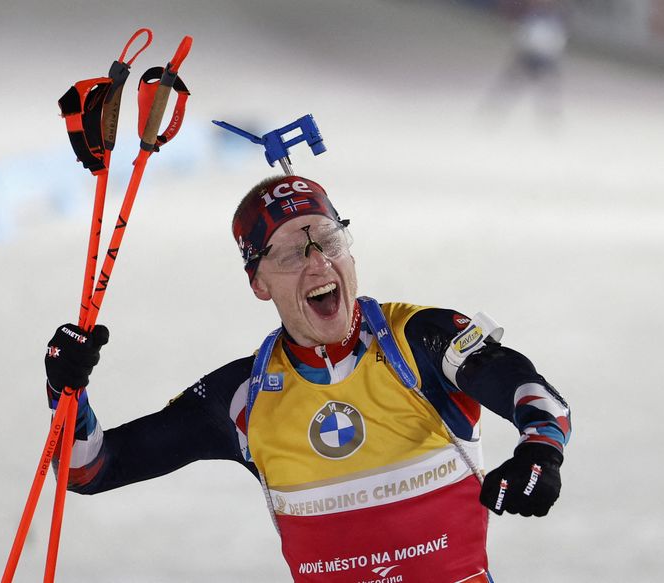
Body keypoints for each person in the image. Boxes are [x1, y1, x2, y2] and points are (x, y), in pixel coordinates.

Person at [45, 174, 572, 582]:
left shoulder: (420, 341)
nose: (319, 264)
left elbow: (535, 396)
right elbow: (90, 469)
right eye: (294, 253)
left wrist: (540, 453)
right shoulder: (243, 396)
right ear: (258, 282)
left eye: (328, 240)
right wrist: (67, 390)